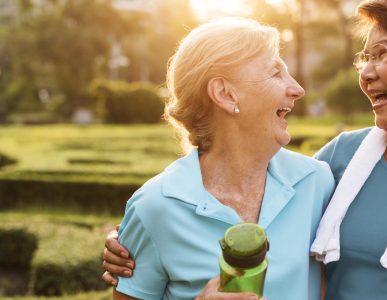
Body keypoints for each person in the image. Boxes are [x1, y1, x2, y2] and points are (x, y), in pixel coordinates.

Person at [104, 0, 387, 299]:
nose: (367, 72)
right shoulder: (336, 163)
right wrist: (132, 242)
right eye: (365, 57)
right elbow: (247, 191)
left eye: (382, 53)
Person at [108, 17, 335, 300]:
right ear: (225, 94)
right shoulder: (154, 207)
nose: (298, 89)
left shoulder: (317, 183)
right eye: (276, 73)